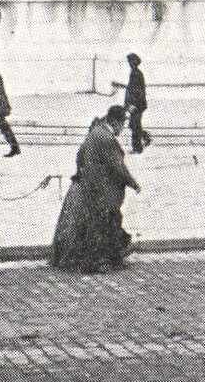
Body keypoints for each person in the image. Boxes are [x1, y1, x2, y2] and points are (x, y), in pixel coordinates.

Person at [52, 107, 141, 273]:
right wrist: (133, 183)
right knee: (103, 225)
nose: (123, 129)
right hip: (102, 191)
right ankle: (100, 262)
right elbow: (118, 167)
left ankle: (104, 259)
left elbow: (79, 156)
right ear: (116, 122)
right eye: (122, 124)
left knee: (96, 225)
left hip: (89, 188)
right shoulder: (107, 139)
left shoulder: (94, 133)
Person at [123, 53, 150, 154]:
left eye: (130, 61)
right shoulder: (135, 73)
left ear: (134, 62)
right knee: (134, 125)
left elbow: (137, 91)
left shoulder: (136, 73)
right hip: (137, 104)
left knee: (134, 126)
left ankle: (137, 148)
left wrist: (133, 104)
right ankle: (145, 138)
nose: (129, 63)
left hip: (137, 105)